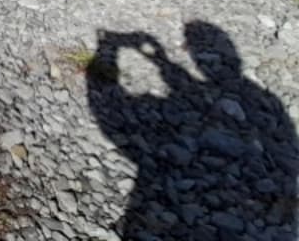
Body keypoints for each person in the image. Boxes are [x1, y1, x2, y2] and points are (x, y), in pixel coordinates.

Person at [87, 22, 298, 240]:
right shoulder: (267, 102)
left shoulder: (261, 102)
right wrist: (160, 61)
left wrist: (107, 47)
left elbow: (110, 121)